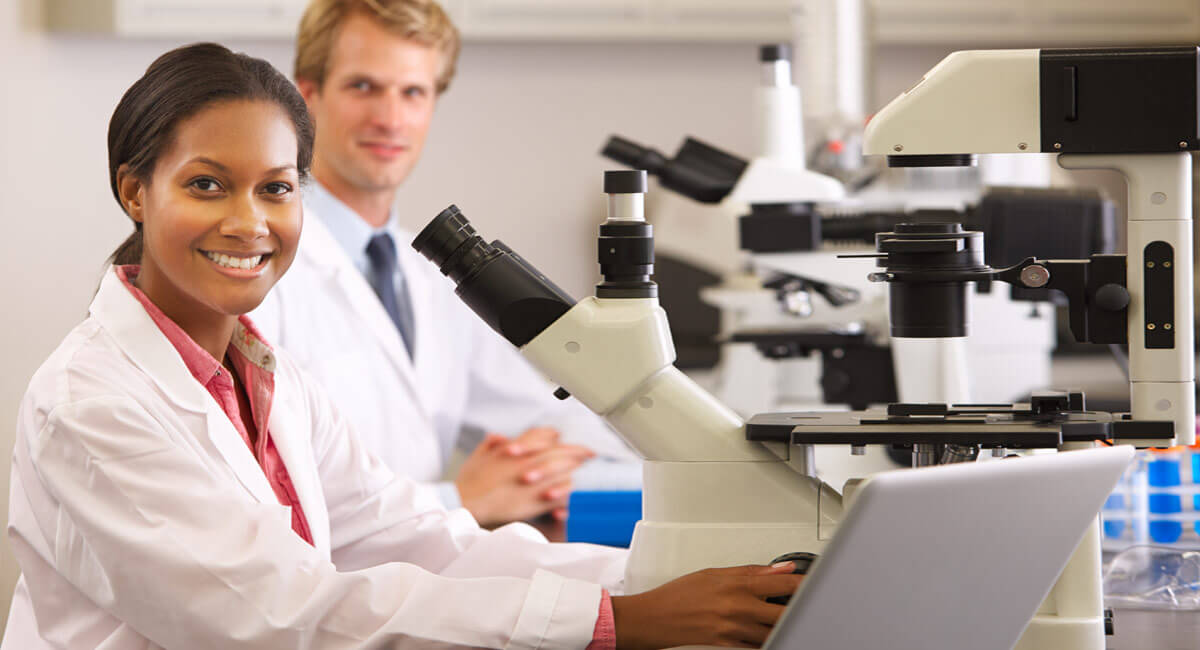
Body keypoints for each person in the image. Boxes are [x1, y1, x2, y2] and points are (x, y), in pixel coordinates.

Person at [2, 43, 803, 649]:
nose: (249, 222)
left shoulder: (270, 380)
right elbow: (279, 615)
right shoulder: (92, 403)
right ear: (133, 190)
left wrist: (653, 580)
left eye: (276, 187)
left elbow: (423, 540)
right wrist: (616, 621)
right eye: (207, 184)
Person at [249, 0, 640, 527]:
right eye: (363, 86)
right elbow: (261, 497)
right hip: (326, 587)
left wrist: (554, 467)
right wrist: (460, 501)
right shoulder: (256, 265)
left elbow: (555, 414)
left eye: (412, 92)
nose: (390, 118)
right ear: (308, 96)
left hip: (419, 578)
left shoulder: (425, 278)